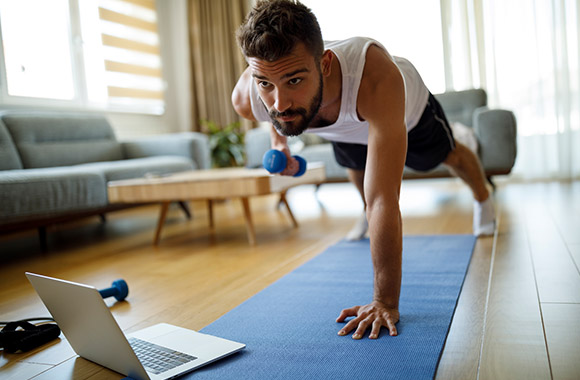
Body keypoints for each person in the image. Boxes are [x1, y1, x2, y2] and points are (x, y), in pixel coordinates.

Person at [231, 0, 495, 339]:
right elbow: (275, 110)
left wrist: (384, 302)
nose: (279, 102)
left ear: (325, 64)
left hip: (404, 113)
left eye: (294, 80)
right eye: (265, 84)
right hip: (337, 121)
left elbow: (385, 199)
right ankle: (362, 210)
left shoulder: (375, 78)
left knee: (446, 157)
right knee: (355, 166)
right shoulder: (251, 97)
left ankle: (484, 199)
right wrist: (279, 144)